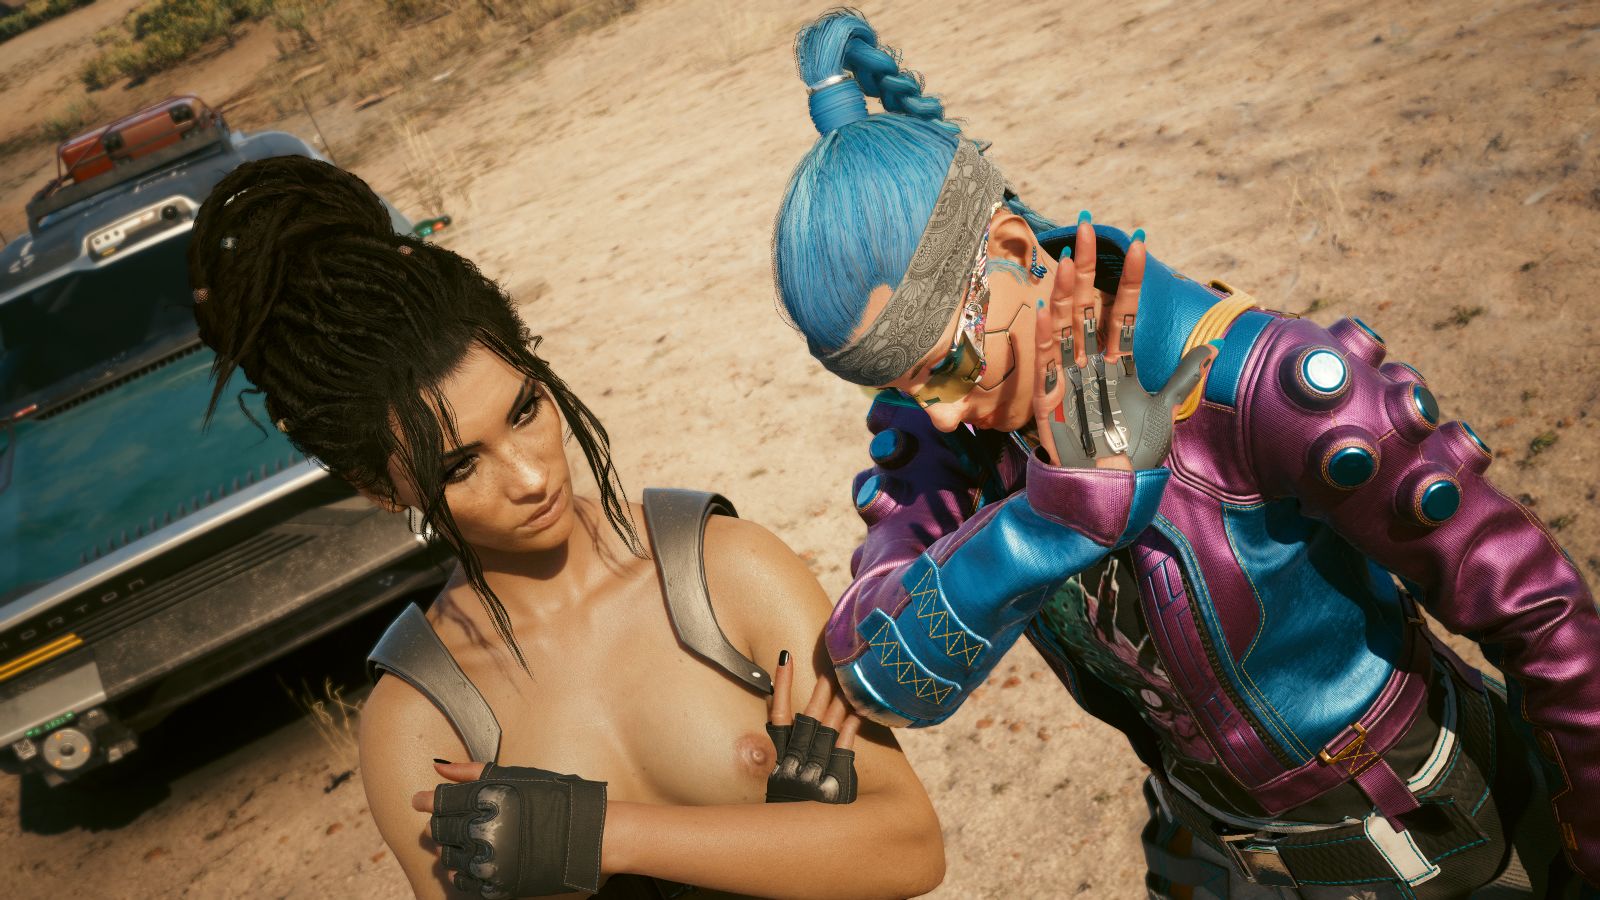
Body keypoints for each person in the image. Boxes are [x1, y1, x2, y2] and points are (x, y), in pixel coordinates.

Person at [769, 9, 1600, 898]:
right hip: (1205, 847)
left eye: (946, 366)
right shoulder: (965, 434)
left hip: (1429, 842)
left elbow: (1542, 614)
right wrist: (1050, 521)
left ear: (1011, 252)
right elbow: (882, 676)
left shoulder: (1264, 389)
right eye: (901, 387)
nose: (938, 416)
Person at [186, 155, 945, 899]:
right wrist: (792, 847)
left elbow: (913, 847)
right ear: (380, 489)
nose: (530, 477)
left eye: (524, 411)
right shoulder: (418, 722)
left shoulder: (727, 572)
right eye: (460, 466)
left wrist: (600, 836)